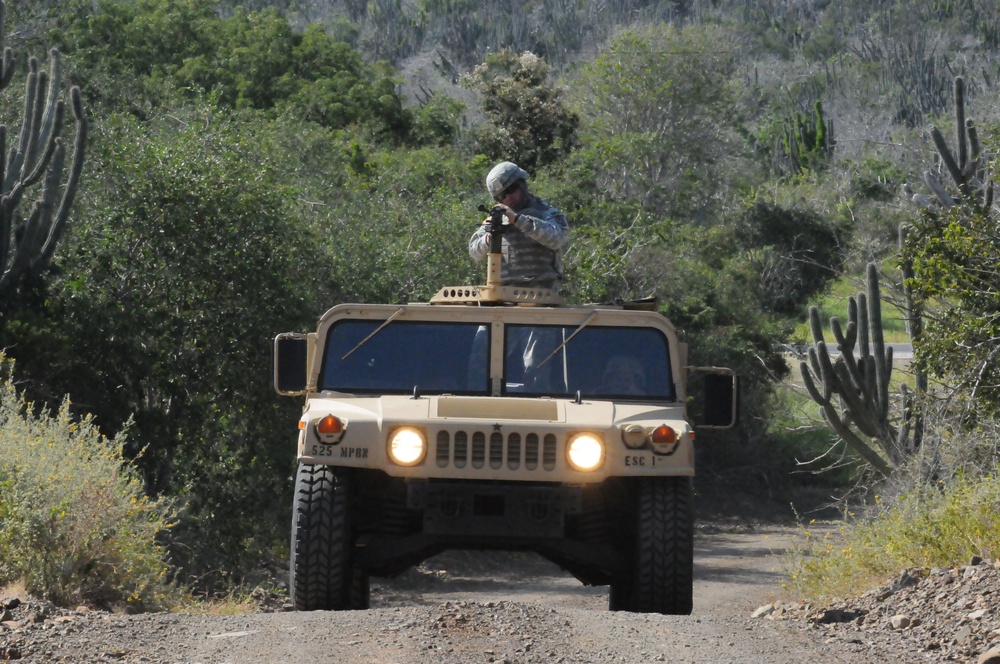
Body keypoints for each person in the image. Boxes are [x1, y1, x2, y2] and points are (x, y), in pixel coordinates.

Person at [468, 161, 569, 290]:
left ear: (522, 184)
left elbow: (557, 238)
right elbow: (474, 251)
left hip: (542, 294)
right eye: (501, 195)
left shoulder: (546, 213)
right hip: (504, 295)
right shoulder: (496, 218)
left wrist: (518, 220)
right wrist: (490, 237)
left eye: (511, 189)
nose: (508, 198)